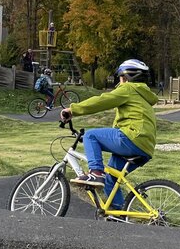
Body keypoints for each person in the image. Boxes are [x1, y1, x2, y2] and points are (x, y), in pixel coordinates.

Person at [60, 59, 158, 210]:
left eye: (120, 77)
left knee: (91, 136)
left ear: (125, 77)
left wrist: (73, 110)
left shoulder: (129, 89)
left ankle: (95, 173)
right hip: (144, 146)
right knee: (111, 179)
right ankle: (117, 215)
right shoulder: (143, 95)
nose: (119, 81)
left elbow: (102, 101)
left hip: (132, 137)